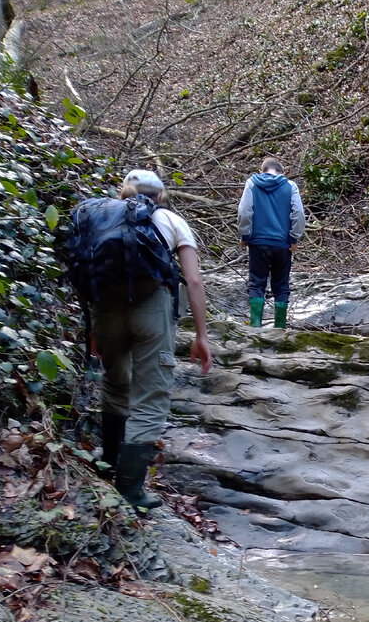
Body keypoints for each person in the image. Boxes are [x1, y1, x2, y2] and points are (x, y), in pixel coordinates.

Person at [95, 169, 213, 509]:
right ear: (160, 195)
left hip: (106, 311)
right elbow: (193, 280)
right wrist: (201, 335)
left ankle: (108, 463)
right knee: (150, 399)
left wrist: (93, 327)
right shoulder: (171, 220)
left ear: (123, 192)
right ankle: (130, 488)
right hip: (151, 310)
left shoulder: (103, 219)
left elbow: (89, 273)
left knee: (115, 383)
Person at [237, 157, 306, 328]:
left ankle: (255, 327)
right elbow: (298, 213)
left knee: (256, 283)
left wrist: (245, 235)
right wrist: (294, 238)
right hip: (283, 244)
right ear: (283, 172)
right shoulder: (290, 186)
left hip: (258, 243)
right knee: (281, 284)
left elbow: (244, 211)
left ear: (261, 171)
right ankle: (279, 328)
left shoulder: (252, 183)